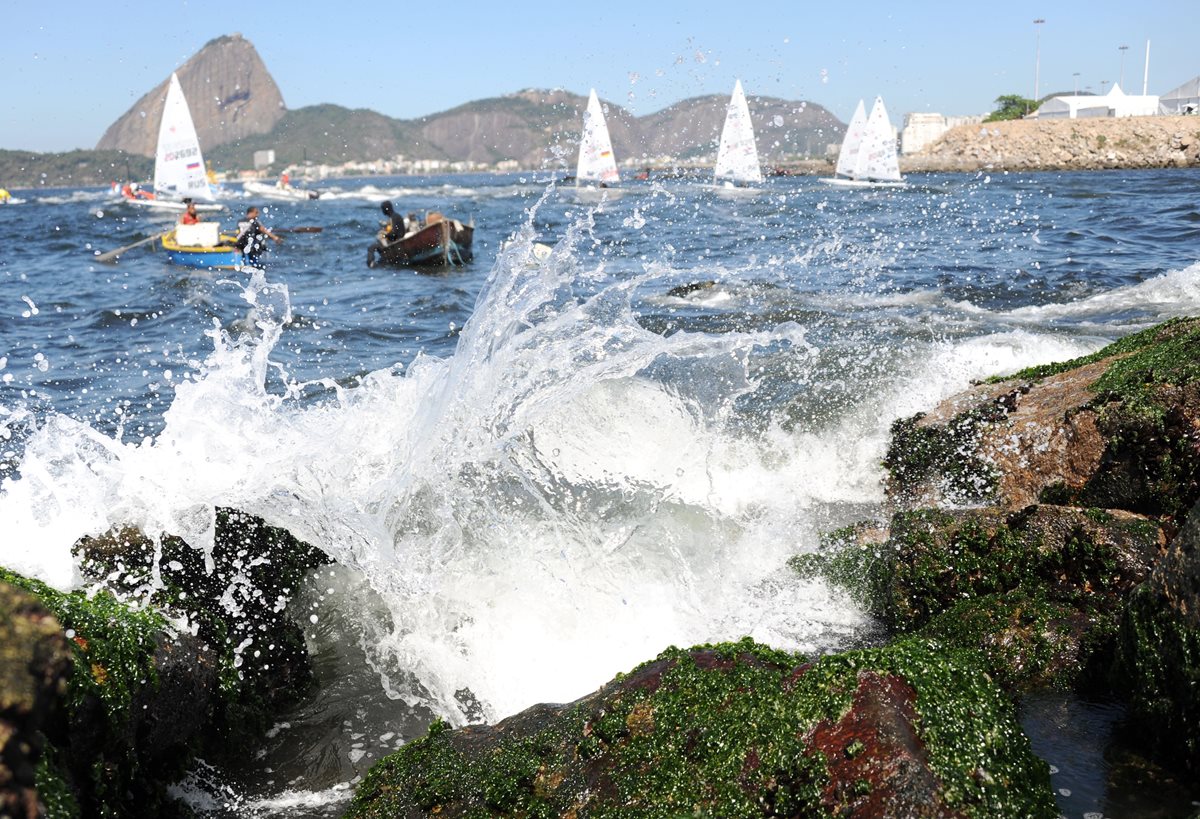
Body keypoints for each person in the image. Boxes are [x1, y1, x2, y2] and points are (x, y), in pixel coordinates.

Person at [366, 200, 409, 268]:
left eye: (383, 209)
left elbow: (394, 233)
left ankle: (371, 265)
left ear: (386, 209)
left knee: (371, 247)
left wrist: (384, 235)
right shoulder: (394, 216)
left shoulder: (394, 217)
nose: (382, 211)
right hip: (396, 239)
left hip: (396, 240)